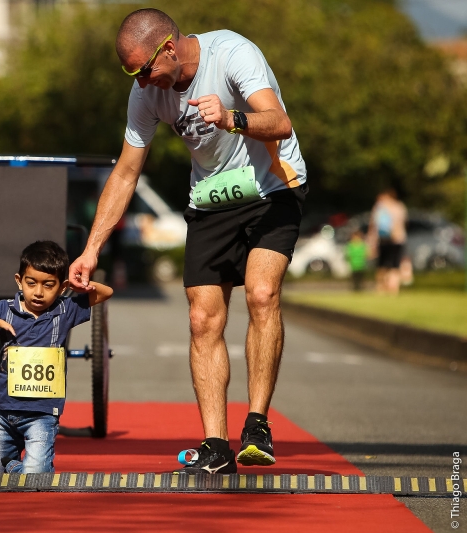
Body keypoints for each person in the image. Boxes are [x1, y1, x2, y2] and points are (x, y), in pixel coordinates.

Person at [69, 9, 308, 474]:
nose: (141, 82)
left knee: (262, 294)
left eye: (145, 70)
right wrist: (92, 247)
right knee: (202, 319)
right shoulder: (145, 95)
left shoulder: (233, 53)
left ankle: (257, 423)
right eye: (131, 73)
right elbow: (125, 172)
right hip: (212, 197)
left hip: (273, 187)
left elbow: (280, 122)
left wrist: (232, 117)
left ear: (170, 49)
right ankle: (216, 445)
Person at [0, 241, 113, 474]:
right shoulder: (5, 309)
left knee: (34, 477)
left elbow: (107, 293)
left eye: (49, 285)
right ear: (19, 280)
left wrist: (80, 284)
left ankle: (20, 467)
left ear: (61, 288)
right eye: (31, 283)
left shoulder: (65, 310)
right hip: (4, 411)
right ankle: (12, 466)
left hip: (43, 413)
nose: (39, 292)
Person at [367, 188, 407, 295]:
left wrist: (371, 243)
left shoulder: (379, 208)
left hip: (385, 240)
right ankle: (393, 289)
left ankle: (382, 288)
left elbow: (373, 227)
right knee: (393, 265)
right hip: (397, 239)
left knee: (383, 265)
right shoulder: (399, 207)